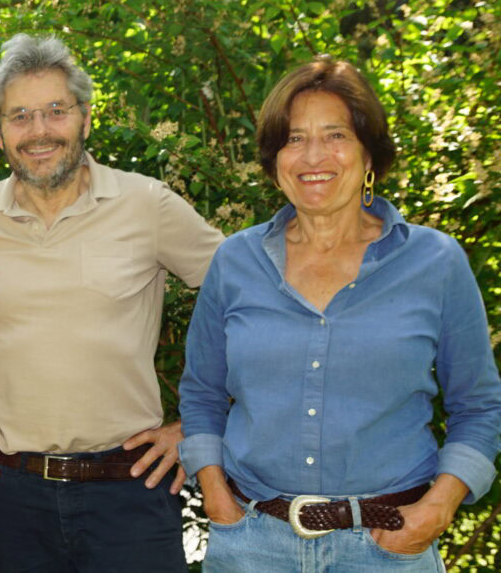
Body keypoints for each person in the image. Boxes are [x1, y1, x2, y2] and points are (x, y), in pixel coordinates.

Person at [178, 56, 501, 572]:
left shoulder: (435, 262)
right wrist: (216, 495)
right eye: (293, 139)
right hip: (252, 545)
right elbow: (201, 393)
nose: (313, 156)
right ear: (273, 159)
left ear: (369, 152)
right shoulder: (235, 262)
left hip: (390, 547)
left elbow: (480, 408)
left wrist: (438, 510)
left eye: (335, 135)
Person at [0, 34, 225, 572]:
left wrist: (200, 425)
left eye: (55, 111)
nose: (39, 131)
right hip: (7, 494)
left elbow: (252, 299)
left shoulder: (147, 205)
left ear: (85, 118)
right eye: (19, 116)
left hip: (132, 492)